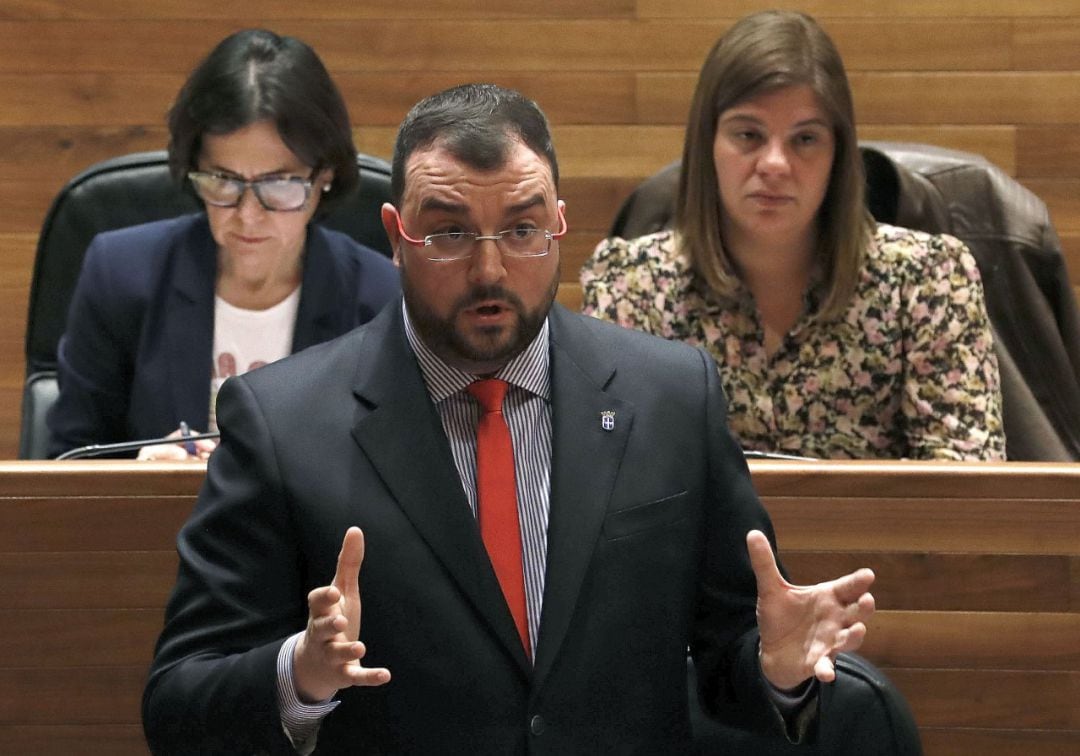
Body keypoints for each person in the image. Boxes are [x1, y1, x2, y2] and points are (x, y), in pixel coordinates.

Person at [142, 83, 875, 754]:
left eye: (522, 230)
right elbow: (178, 702)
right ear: (396, 236)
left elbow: (730, 664)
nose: (490, 270)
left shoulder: (672, 397)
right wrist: (299, 676)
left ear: (559, 225)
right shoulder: (282, 424)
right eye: (451, 234)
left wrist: (774, 667)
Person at [580, 10, 1005, 461]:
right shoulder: (630, 286)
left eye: (805, 140)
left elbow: (968, 489)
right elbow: (603, 471)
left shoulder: (927, 283)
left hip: (878, 535)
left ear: (838, 155)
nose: (775, 164)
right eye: (748, 134)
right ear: (707, 146)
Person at [47, 29, 400, 460]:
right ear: (194, 166)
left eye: (279, 184)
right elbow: (69, 462)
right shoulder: (119, 276)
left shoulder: (379, 299)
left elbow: (398, 475)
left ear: (323, 176)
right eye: (223, 181)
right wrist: (139, 475)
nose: (247, 215)